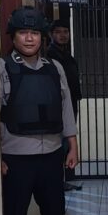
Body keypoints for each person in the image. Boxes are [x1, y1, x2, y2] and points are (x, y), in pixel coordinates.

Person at [0, 7, 79, 215]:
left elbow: (66, 105)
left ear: (42, 37)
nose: (29, 38)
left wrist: (72, 143)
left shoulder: (53, 67)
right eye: (23, 32)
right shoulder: (2, 68)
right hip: (16, 157)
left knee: (54, 210)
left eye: (34, 33)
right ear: (14, 36)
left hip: (51, 153)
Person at [46, 19, 83, 191]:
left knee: (66, 142)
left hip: (71, 102)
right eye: (58, 32)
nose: (62, 35)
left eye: (65, 32)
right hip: (57, 106)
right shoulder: (50, 56)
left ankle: (63, 179)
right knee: (60, 143)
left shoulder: (67, 56)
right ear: (51, 34)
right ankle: (57, 181)